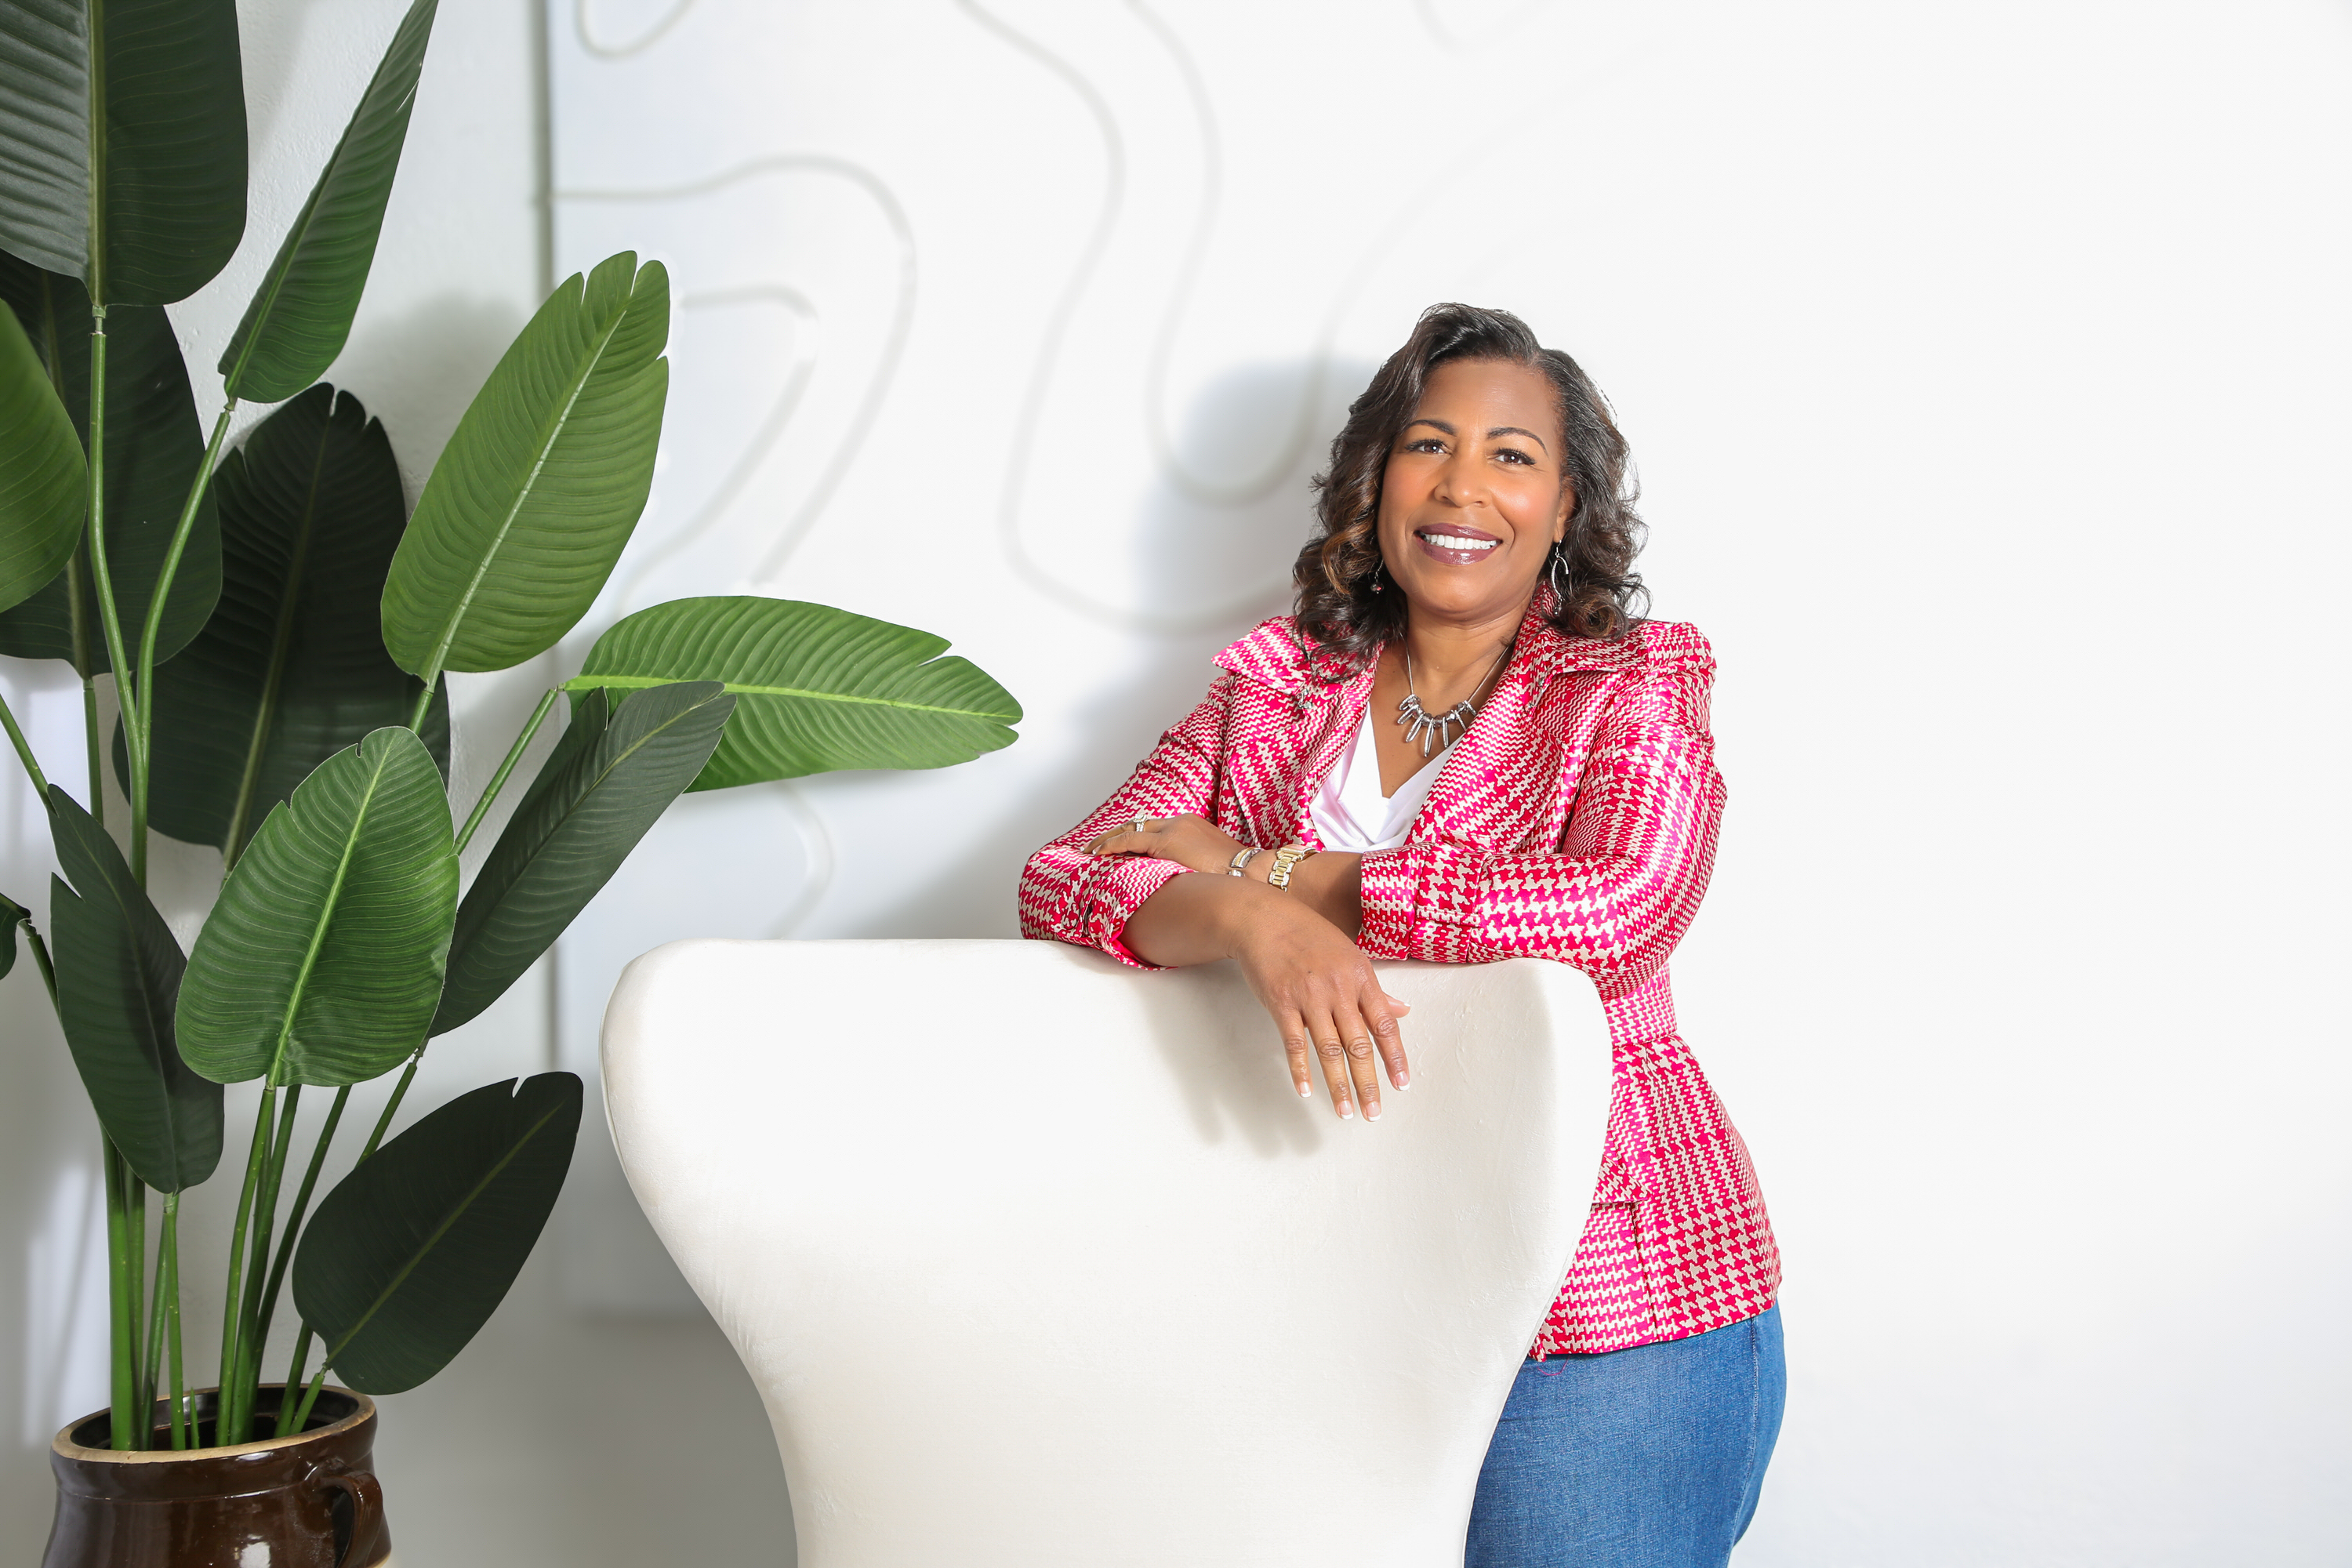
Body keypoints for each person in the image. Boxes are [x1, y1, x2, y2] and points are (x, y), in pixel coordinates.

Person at [1018, 303, 1782, 1567]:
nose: (1463, 486)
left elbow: (1616, 913)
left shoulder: (1631, 682)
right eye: (1430, 444)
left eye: (1513, 456)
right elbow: (1062, 876)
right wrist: (1251, 922)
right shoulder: (1279, 685)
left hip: (1603, 1314)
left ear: (1567, 506)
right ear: (1379, 483)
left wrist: (1304, 880)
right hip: (1335, 1299)